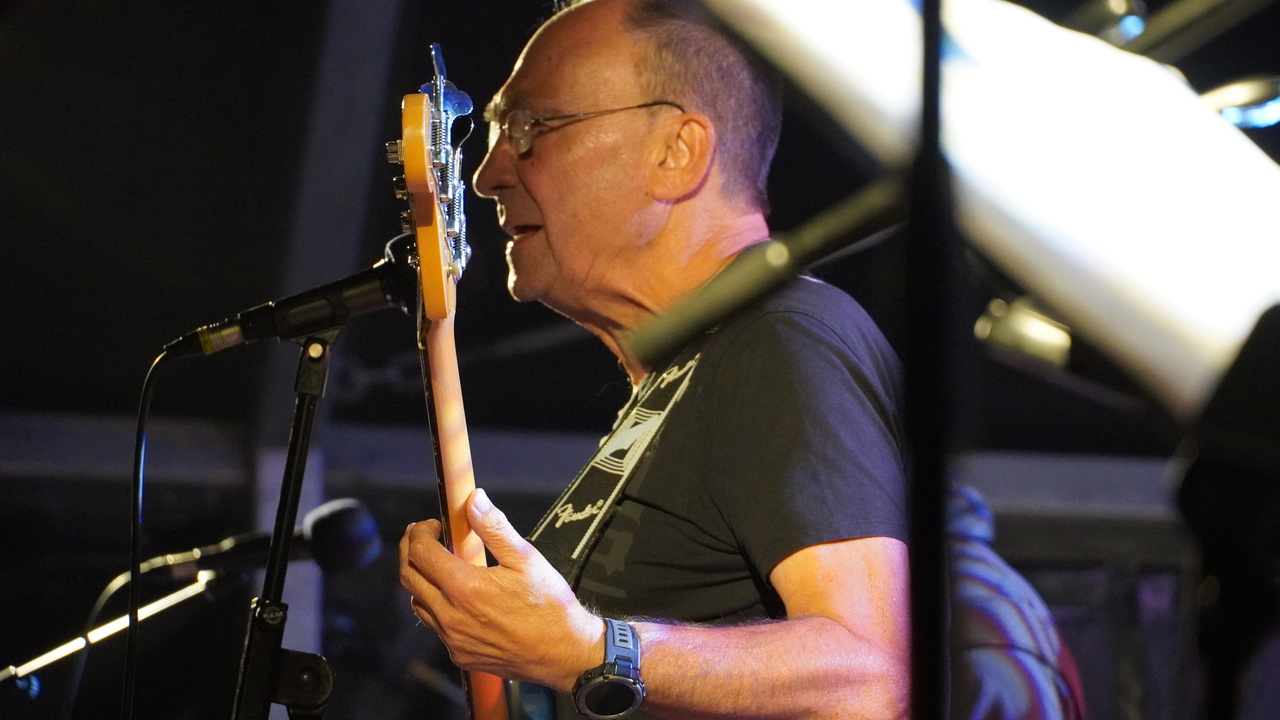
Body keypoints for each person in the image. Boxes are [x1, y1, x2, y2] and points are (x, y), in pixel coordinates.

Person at [399, 0, 912, 718]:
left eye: (529, 128)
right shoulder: (693, 371)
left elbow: (876, 677)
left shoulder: (783, 334)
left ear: (677, 151)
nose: (488, 174)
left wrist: (591, 650)